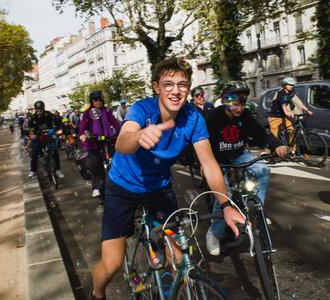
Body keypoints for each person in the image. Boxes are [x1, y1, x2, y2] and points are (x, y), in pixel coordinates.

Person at [89, 57, 245, 300]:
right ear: (156, 87)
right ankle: (96, 294)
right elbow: (122, 142)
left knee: (180, 257)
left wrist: (226, 205)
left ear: (189, 88)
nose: (175, 91)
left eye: (182, 85)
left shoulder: (193, 117)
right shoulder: (142, 109)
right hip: (122, 187)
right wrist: (139, 135)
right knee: (112, 264)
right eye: (168, 84)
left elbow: (209, 163)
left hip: (159, 190)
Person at [204, 80, 288, 256]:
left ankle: (254, 213)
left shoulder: (246, 116)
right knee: (223, 196)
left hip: (238, 154)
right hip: (217, 159)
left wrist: (276, 144)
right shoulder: (213, 117)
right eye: (234, 103)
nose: (239, 108)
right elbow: (203, 144)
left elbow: (260, 133)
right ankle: (214, 233)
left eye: (242, 103)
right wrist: (204, 164)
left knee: (263, 170)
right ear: (225, 101)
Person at [79, 90, 121, 198]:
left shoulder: (106, 110)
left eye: (100, 99)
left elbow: (114, 122)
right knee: (95, 162)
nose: (98, 101)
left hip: (107, 139)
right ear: (91, 101)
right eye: (95, 99)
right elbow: (83, 126)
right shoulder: (87, 112)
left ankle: (120, 184)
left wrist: (123, 131)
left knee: (117, 159)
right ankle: (96, 187)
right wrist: (82, 134)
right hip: (93, 142)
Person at [268, 77, 313, 153]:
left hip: (283, 117)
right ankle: (268, 153)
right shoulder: (281, 93)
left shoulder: (291, 93)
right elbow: (283, 103)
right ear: (284, 85)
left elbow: (298, 103)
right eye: (289, 85)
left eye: (292, 85)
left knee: (292, 131)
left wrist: (307, 110)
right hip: (275, 116)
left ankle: (293, 151)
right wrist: (287, 112)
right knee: (273, 136)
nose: (291, 86)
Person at [26, 101, 64, 179]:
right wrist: (30, 135)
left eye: (40, 108)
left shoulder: (48, 114)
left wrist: (60, 129)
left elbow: (58, 121)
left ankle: (57, 170)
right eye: (37, 109)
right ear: (35, 109)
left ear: (43, 108)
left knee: (55, 151)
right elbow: (29, 128)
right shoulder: (33, 118)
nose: (39, 110)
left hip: (49, 135)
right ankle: (33, 171)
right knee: (34, 153)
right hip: (38, 137)